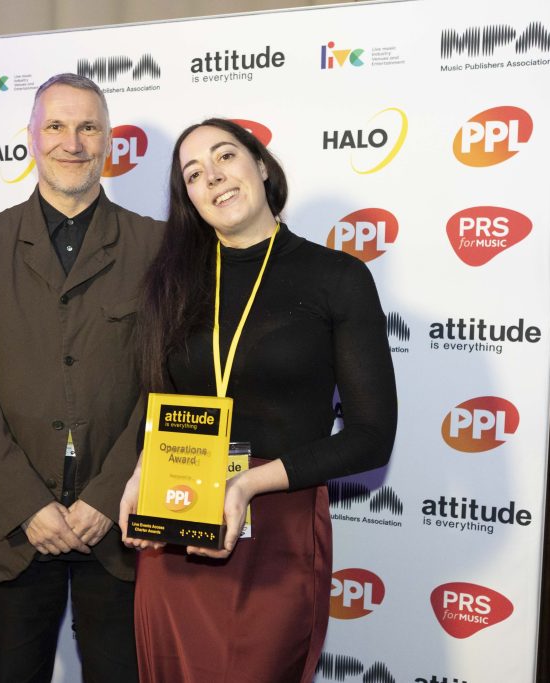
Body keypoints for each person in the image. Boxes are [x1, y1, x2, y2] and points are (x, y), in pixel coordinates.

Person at [119, 119, 398, 682]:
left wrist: (246, 483)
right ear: (189, 199)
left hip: (279, 528)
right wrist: (143, 472)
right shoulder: (171, 283)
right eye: (193, 174)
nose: (213, 177)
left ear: (262, 166)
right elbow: (165, 404)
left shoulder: (336, 276)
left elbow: (372, 436)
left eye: (225, 156)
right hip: (180, 522)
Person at [0, 73, 163, 683]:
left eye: (88, 127)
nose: (73, 141)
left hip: (119, 521)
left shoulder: (156, 244)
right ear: (31, 139)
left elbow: (165, 385)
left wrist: (106, 493)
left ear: (110, 142)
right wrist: (27, 503)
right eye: (56, 126)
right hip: (12, 526)